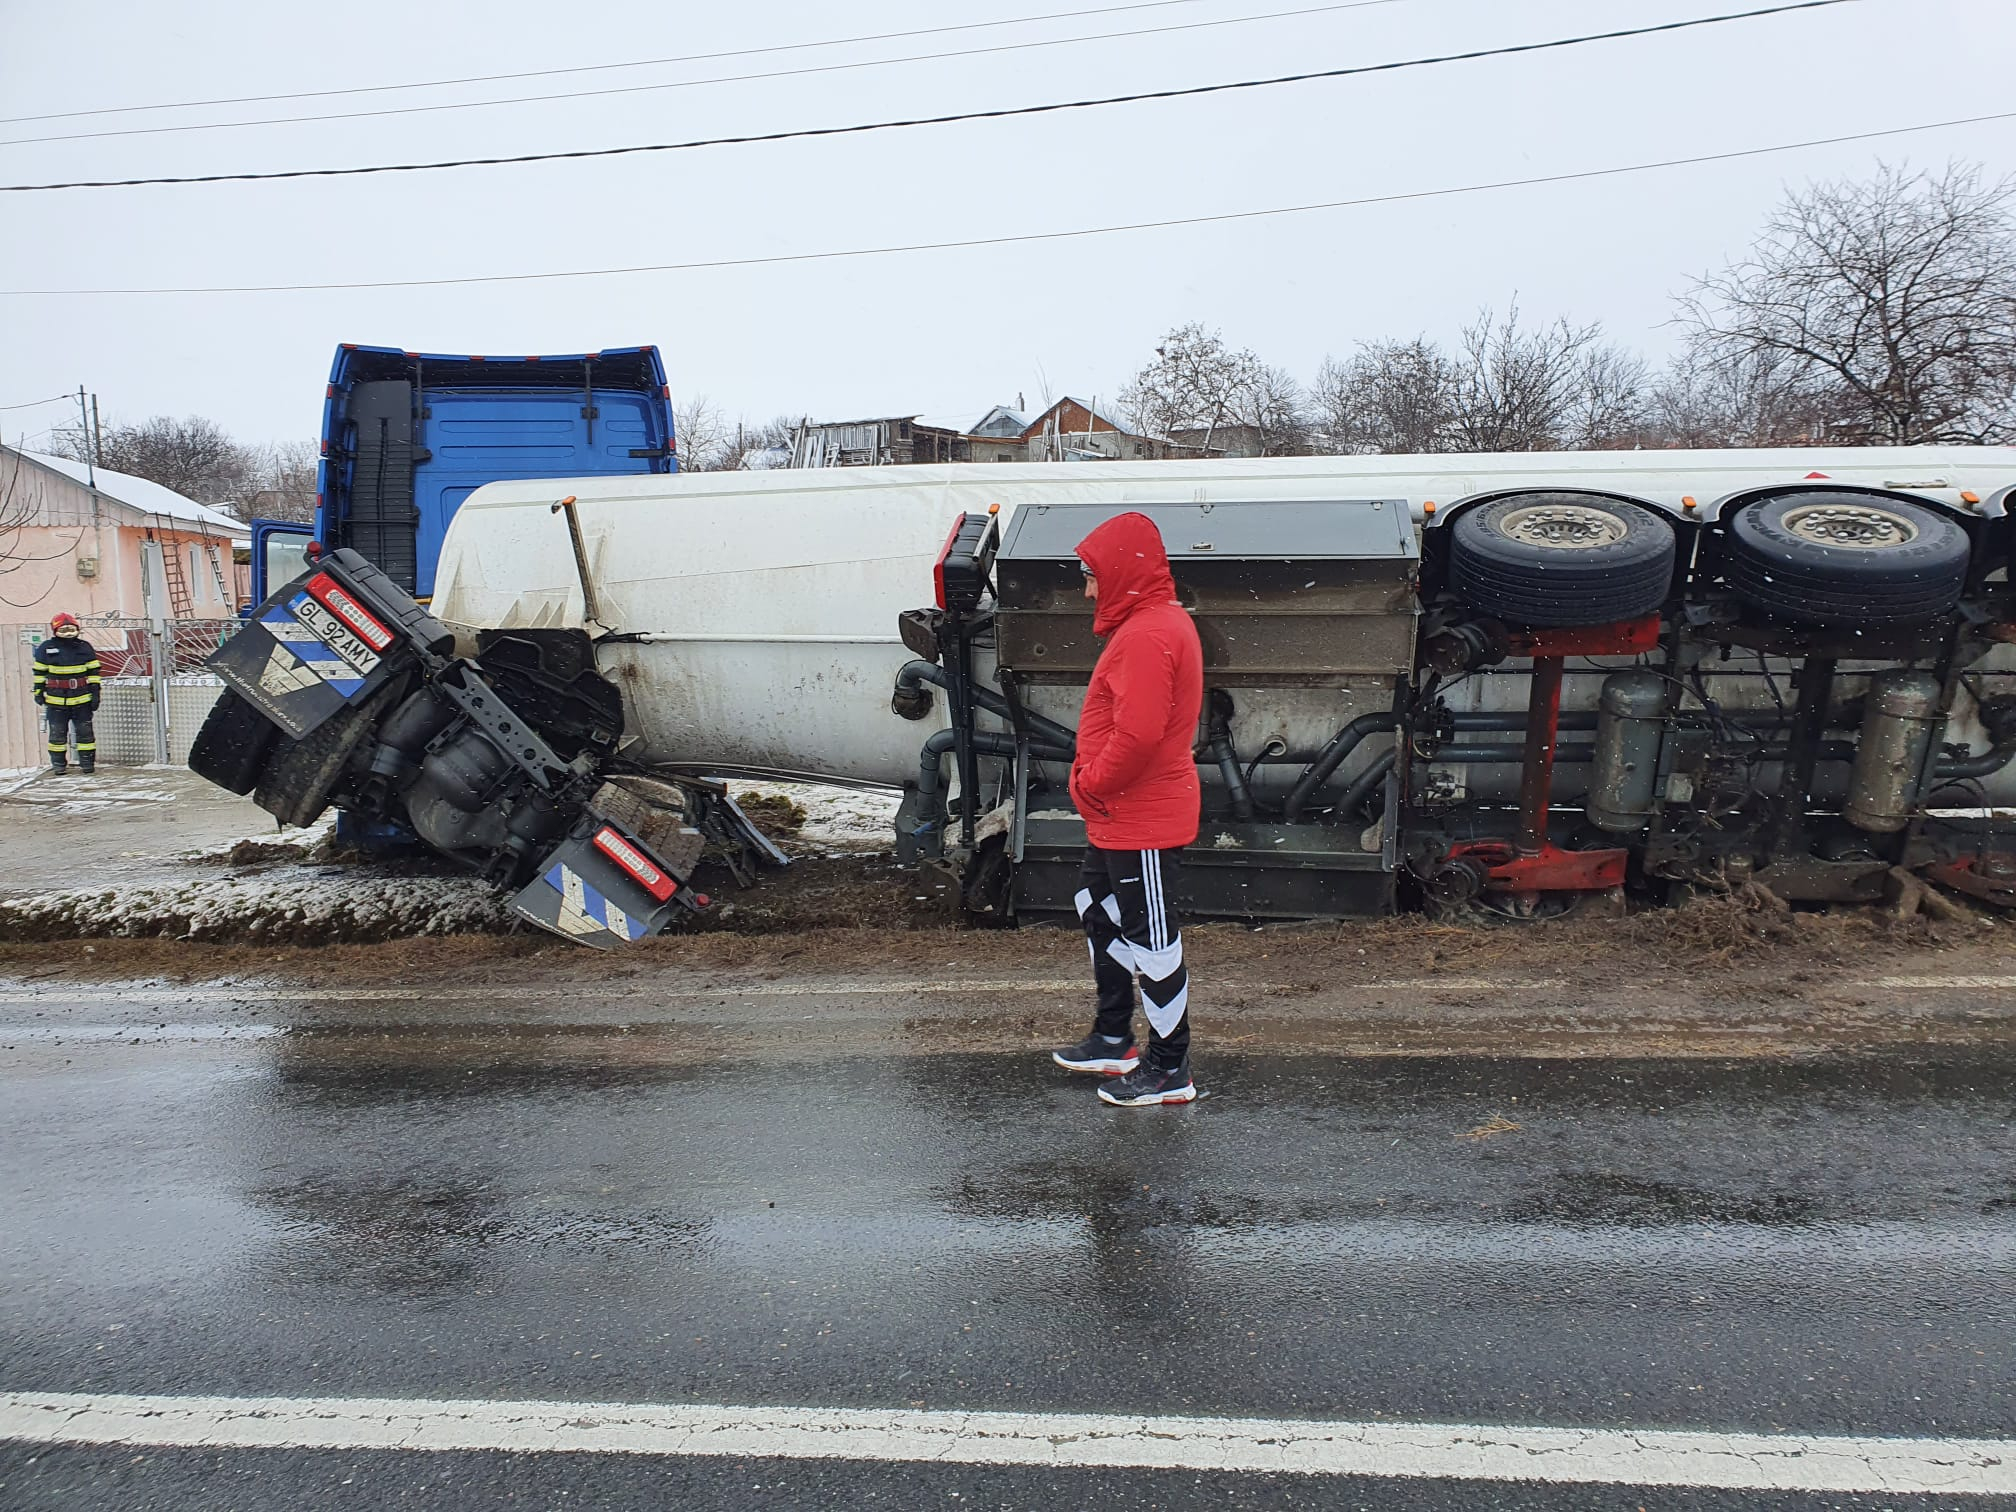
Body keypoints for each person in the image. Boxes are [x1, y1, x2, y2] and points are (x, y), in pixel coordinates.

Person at [1050, 512, 1205, 1107]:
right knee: (1097, 906)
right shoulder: (1148, 625)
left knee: (1154, 941)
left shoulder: (1147, 635)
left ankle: (1170, 1069)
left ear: (1120, 573)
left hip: (1138, 813)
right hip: (1121, 814)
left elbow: (1137, 736)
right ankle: (1115, 1036)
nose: (1087, 589)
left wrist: (1091, 783)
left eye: (1091, 576)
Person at [33, 613, 102, 776]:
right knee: (57, 734)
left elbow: (93, 671)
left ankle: (87, 764)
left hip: (82, 699)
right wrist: (38, 690)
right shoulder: (46, 648)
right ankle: (58, 765)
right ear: (55, 630)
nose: (68, 632)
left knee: (85, 734)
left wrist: (95, 692)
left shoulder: (85, 647)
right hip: (56, 700)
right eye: (64, 629)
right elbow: (39, 672)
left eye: (71, 629)